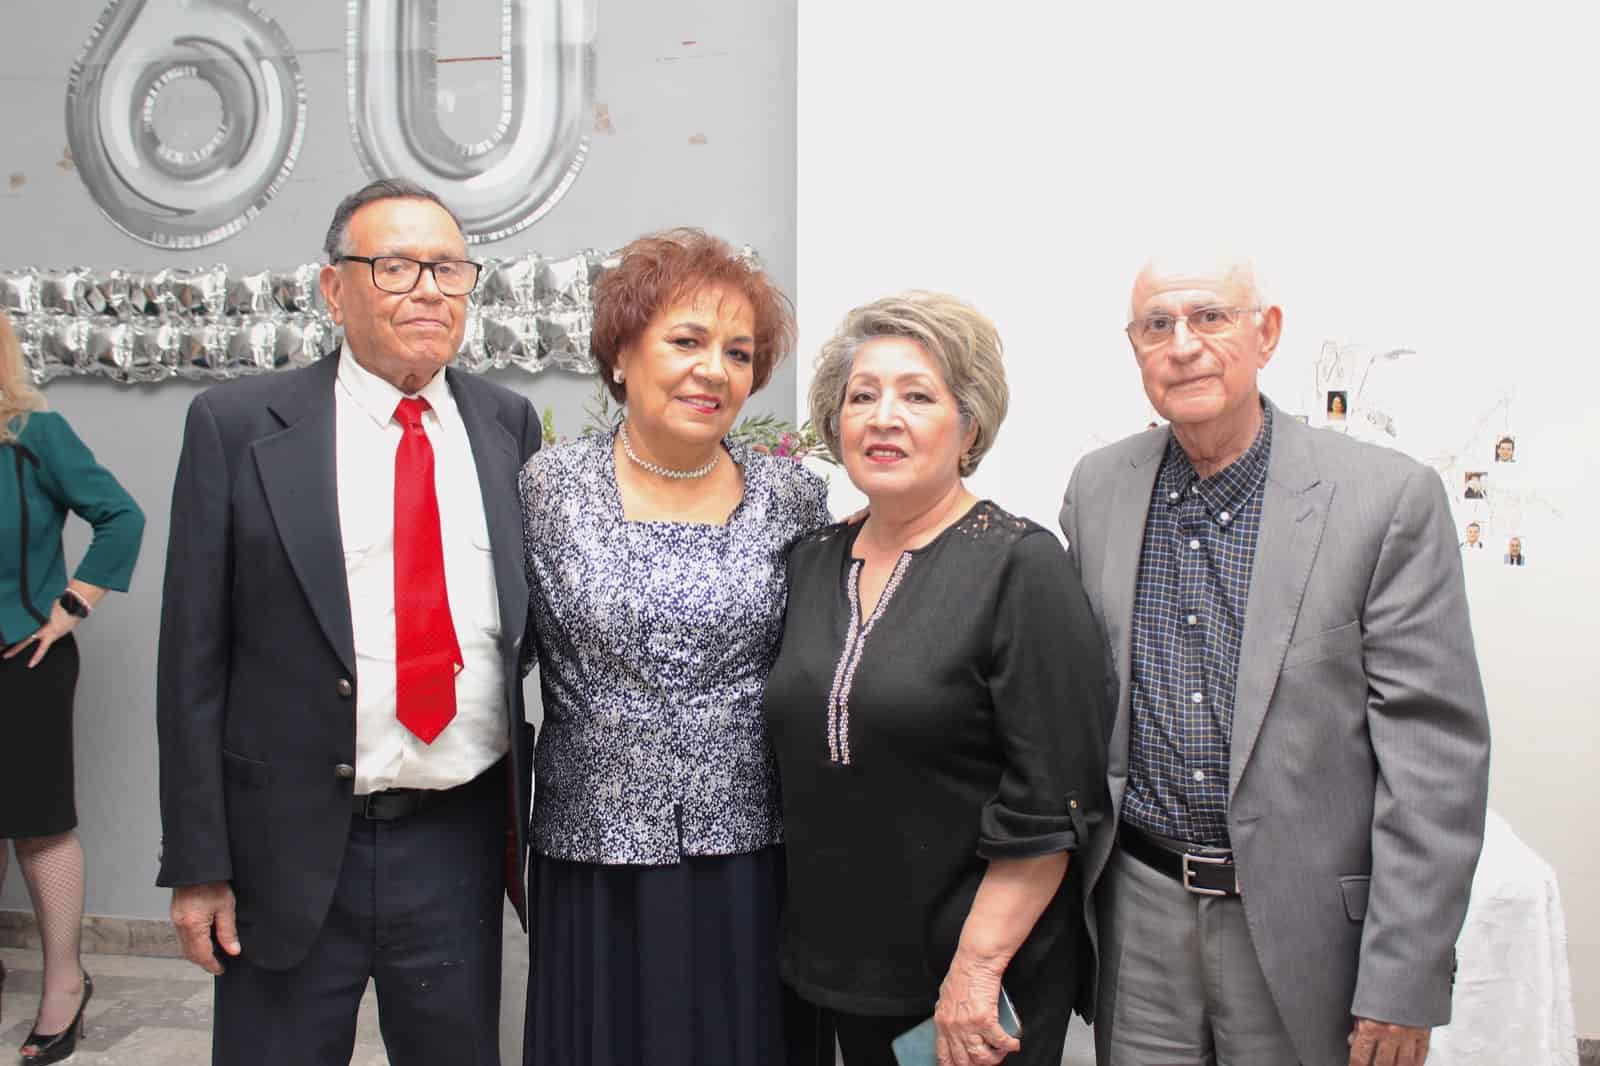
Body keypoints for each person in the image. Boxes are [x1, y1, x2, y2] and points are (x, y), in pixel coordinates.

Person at [1060, 257, 1491, 1066]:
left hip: (1302, 929)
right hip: (1139, 913)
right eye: (1158, 326)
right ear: (1136, 351)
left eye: (1211, 318)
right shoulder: (1097, 491)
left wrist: (1403, 983)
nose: (1183, 345)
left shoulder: (1386, 500)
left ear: (1268, 333)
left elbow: (1433, 765)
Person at [156, 179, 541, 1066]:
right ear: (335, 290)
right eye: (396, 266)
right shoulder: (238, 427)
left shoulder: (504, 425)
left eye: (448, 268)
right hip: (284, 842)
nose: (429, 290)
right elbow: (192, 663)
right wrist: (198, 862)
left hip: (457, 837)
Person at [765, 292, 1109, 1066]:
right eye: (863, 396)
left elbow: (1052, 802)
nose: (884, 417)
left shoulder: (1021, 566)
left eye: (918, 396)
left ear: (970, 425)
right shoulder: (810, 562)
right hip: (835, 970)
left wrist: (975, 972)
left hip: (973, 985)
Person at [518, 229, 830, 1066]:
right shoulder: (546, 488)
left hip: (751, 858)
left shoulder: (795, 497)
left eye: (739, 352)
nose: (714, 370)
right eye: (686, 341)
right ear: (621, 354)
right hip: (594, 856)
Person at [0, 311, 144, 1064]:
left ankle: (64, 981)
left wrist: (73, 603)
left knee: (38, 822)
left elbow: (121, 515)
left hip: (22, 659)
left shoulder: (32, 434)